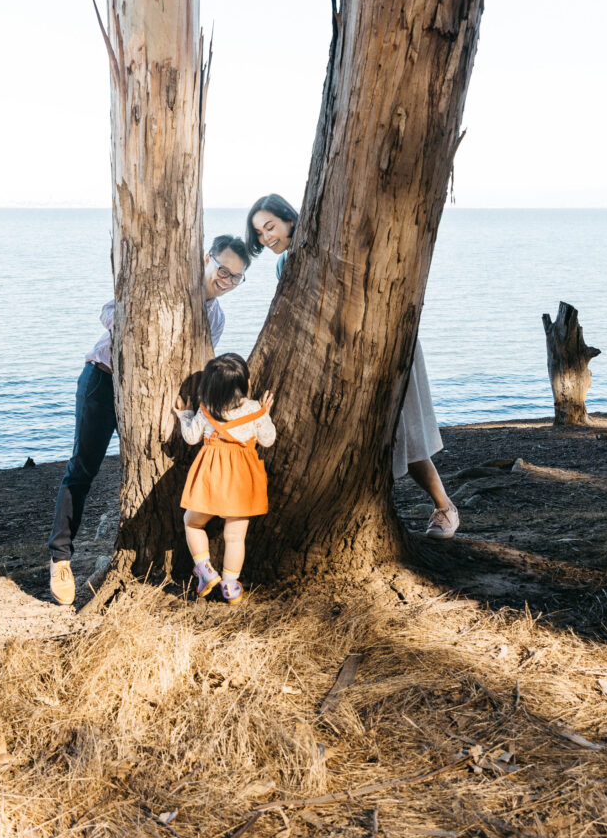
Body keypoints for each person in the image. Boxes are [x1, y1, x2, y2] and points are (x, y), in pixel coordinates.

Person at [48, 235, 251, 606]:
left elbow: (201, 365)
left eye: (235, 278)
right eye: (223, 270)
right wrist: (142, 331)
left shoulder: (216, 317)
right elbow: (108, 311)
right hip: (105, 379)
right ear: (207, 259)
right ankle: (60, 557)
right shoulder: (168, 283)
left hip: (154, 401)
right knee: (83, 468)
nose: (226, 280)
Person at [246, 194, 459, 539]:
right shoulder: (284, 264)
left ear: (289, 219)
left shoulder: (326, 244)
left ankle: (445, 507)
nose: (266, 237)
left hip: (383, 343)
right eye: (259, 233)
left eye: (270, 226)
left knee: (404, 429)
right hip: (335, 357)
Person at [174, 353, 275, 605]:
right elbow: (268, 439)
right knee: (235, 537)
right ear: (247, 386)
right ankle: (230, 587)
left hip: (211, 479)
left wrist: (185, 415)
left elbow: (190, 438)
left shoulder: (206, 410)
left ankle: (205, 570)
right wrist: (265, 414)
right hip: (242, 481)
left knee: (192, 523)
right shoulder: (254, 410)